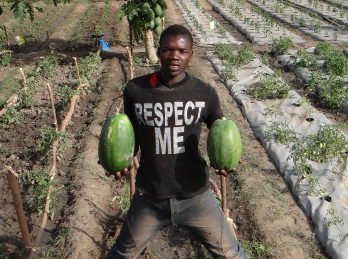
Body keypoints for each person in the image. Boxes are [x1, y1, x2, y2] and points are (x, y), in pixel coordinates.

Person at [104, 24, 249, 259]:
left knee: (231, 254)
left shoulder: (204, 92)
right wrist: (119, 161)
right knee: (120, 254)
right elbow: (130, 138)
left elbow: (222, 133)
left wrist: (229, 158)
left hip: (196, 195)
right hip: (150, 197)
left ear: (191, 54)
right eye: (168, 50)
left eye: (182, 51)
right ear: (159, 51)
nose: (174, 56)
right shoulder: (135, 90)